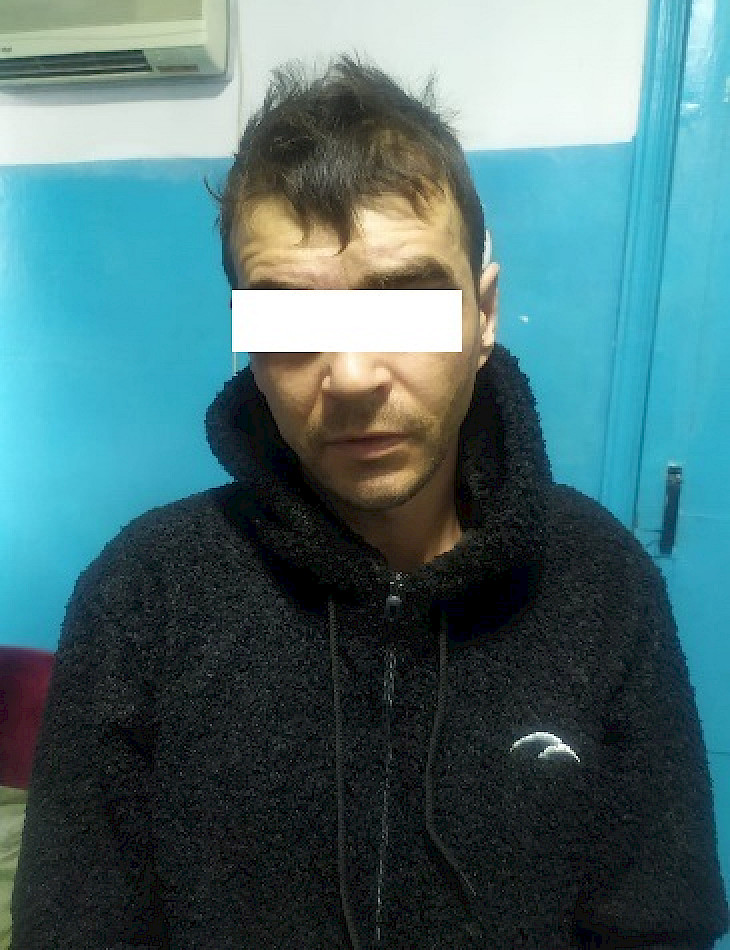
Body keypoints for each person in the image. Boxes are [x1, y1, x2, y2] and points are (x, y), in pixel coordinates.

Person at [10, 55, 729, 950]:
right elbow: (72, 927)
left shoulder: (599, 583)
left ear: (483, 316)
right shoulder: (144, 595)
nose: (350, 376)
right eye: (291, 321)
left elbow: (660, 922)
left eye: (404, 303)